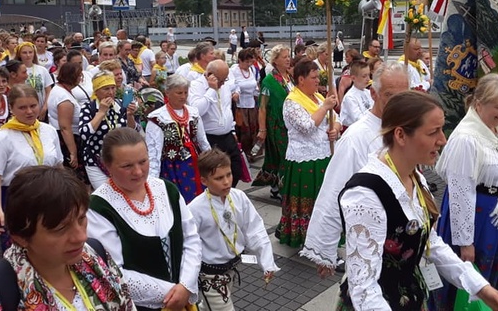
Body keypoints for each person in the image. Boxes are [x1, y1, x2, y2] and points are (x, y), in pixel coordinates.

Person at [337, 91, 498, 311]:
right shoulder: (365, 195)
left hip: (410, 296)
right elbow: (363, 287)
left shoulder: (416, 177)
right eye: (433, 132)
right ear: (401, 135)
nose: (443, 140)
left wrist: (479, 286)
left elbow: (431, 243)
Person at [0, 166, 136, 310]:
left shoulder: (95, 255)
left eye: (81, 219)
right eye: (60, 229)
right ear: (21, 237)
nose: (81, 236)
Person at [433, 74, 498, 310]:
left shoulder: (497, 129)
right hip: (475, 218)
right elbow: (461, 192)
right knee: (472, 278)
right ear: (478, 104)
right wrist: (465, 243)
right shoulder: (466, 138)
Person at [301, 61, 410, 273]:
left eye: (403, 95)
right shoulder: (357, 138)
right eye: (390, 95)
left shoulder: (406, 128)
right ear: (374, 94)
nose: (398, 102)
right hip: (372, 239)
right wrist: (326, 250)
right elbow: (335, 190)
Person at [87, 127, 203, 310]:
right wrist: (173, 293)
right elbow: (114, 272)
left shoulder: (166, 189)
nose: (138, 172)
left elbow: (191, 238)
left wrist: (186, 285)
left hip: (183, 299)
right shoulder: (99, 208)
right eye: (127, 166)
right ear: (107, 166)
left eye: (143, 161)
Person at [189, 149, 279, 310]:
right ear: (204, 180)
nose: (226, 182)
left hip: (231, 268)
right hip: (210, 274)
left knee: (210, 306)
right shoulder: (195, 208)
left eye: (228, 175)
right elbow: (187, 244)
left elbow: (255, 228)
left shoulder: (239, 197)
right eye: (219, 178)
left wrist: (267, 262)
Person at [0, 84, 63, 251]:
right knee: (20, 250)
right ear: (11, 108)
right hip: (18, 199)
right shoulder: (0, 138)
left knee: (51, 246)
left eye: (33, 106)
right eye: (22, 107)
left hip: (50, 196)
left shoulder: (48, 131)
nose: (29, 112)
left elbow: (58, 165)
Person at [277, 60, 339, 248]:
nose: (317, 81)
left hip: (324, 156)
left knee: (324, 199)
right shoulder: (292, 102)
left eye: (317, 77)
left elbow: (337, 119)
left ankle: (324, 234)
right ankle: (302, 235)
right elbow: (307, 127)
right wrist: (325, 107)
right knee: (306, 200)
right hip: (303, 160)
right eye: (313, 78)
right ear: (301, 79)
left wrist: (335, 128)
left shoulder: (319, 97)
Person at [79, 71, 138, 189]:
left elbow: (132, 131)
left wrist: (130, 115)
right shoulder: (88, 108)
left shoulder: (120, 105)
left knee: (124, 192)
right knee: (106, 194)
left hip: (120, 160)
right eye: (106, 89)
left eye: (113, 88)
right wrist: (101, 112)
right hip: (96, 161)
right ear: (96, 91)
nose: (110, 92)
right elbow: (84, 134)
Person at [189, 60, 243, 187]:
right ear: (210, 75)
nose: (223, 83)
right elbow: (196, 110)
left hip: (227, 135)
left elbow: (227, 109)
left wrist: (232, 129)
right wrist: (211, 90)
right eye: (221, 80)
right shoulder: (196, 85)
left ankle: (228, 193)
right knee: (215, 172)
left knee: (236, 168)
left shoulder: (224, 86)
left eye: (225, 79)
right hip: (210, 138)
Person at [251, 45, 294, 199]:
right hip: (276, 124)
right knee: (283, 155)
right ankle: (282, 188)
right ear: (275, 60)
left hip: (289, 124)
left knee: (279, 157)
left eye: (288, 56)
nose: (288, 59)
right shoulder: (268, 81)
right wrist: (262, 129)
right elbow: (262, 107)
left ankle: (275, 186)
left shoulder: (289, 77)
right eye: (284, 57)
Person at [47, 62, 84, 175]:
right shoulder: (64, 99)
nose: (81, 78)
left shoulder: (59, 90)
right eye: (79, 76)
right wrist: (73, 152)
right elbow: (65, 127)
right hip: (67, 141)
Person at [231, 48, 259, 158]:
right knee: (243, 129)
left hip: (251, 103)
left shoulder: (251, 70)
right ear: (240, 61)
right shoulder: (234, 70)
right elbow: (233, 85)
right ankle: (243, 152)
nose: (249, 64)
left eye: (250, 61)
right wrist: (236, 92)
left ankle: (252, 152)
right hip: (240, 105)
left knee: (253, 128)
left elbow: (254, 84)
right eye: (246, 62)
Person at [15, 41, 53, 120]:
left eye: (30, 52)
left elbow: (48, 90)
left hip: (42, 109)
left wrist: (45, 107)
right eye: (24, 53)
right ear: (19, 55)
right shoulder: (16, 71)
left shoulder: (42, 70)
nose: (28, 55)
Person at [339, 61, 373, 127]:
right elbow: (358, 118)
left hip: (367, 125)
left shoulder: (368, 92)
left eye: (369, 75)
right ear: (353, 78)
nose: (368, 79)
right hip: (353, 129)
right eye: (364, 76)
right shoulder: (350, 97)